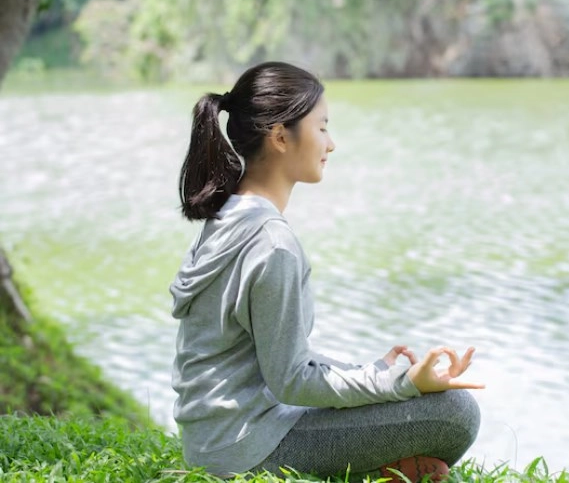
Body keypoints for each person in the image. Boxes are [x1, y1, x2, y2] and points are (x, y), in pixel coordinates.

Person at [169, 61, 483, 481]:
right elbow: (292, 381)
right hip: (248, 450)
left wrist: (376, 373)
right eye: (322, 127)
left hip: (212, 443)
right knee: (456, 414)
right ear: (281, 136)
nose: (331, 144)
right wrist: (402, 384)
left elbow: (280, 362)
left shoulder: (228, 217)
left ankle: (386, 470)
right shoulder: (272, 243)